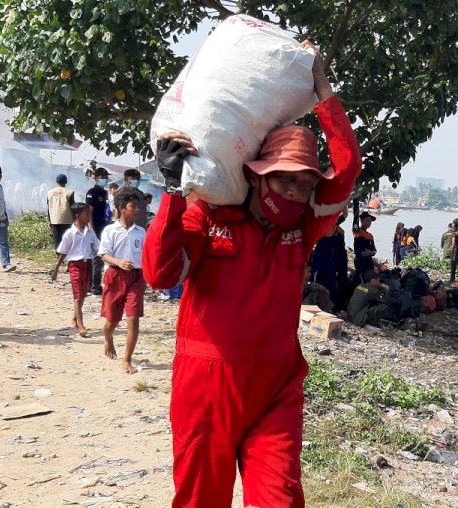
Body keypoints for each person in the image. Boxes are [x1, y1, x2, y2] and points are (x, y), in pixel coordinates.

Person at [142, 42, 361, 507]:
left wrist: (321, 87)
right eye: (285, 179)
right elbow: (161, 275)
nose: (297, 192)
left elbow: (345, 172)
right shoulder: (207, 216)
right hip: (207, 386)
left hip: (277, 386)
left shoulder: (304, 227)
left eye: (304, 184)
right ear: (259, 177)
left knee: (280, 498)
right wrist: (171, 192)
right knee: (202, 498)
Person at [99, 188, 146, 374]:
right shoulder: (111, 230)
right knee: (112, 320)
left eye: (137, 206)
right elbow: (103, 254)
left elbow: (147, 255)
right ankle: (108, 337)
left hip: (136, 277)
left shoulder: (141, 232)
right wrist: (118, 261)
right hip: (115, 276)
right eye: (132, 206)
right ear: (121, 208)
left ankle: (127, 359)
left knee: (133, 319)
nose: (137, 210)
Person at [51, 202, 100, 338]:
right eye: (86, 214)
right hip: (75, 266)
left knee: (83, 294)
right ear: (78, 216)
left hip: (87, 265)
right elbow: (63, 252)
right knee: (78, 296)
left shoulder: (90, 233)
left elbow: (99, 248)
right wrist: (56, 270)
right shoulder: (70, 233)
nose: (89, 216)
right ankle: (81, 325)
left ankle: (75, 317)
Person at [310, 213, 349, 312]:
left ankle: (329, 308)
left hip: (330, 264)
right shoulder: (324, 228)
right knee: (320, 287)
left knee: (331, 288)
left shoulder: (335, 230)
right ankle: (322, 308)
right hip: (323, 264)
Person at [86, 166, 111, 295]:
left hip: (104, 227)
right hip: (95, 227)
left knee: (99, 256)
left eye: (106, 178)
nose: (104, 180)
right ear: (96, 178)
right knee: (97, 257)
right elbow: (89, 212)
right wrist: (91, 229)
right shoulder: (92, 192)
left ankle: (93, 284)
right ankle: (94, 286)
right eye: (102, 178)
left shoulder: (105, 192)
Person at [47, 173, 75, 252]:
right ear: (65, 182)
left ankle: (58, 255)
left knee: (57, 239)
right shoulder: (69, 192)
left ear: (56, 182)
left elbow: (48, 207)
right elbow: (73, 207)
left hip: (54, 219)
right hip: (67, 219)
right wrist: (75, 219)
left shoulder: (49, 193)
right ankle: (66, 254)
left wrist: (49, 220)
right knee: (66, 238)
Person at [353, 211, 377, 281]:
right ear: (361, 221)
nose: (369, 223)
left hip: (369, 261)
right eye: (367, 221)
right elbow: (355, 220)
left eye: (370, 222)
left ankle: (368, 291)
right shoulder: (357, 231)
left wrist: (371, 253)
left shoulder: (370, 236)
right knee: (360, 279)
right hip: (360, 260)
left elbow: (375, 250)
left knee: (370, 279)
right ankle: (359, 291)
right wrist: (356, 202)